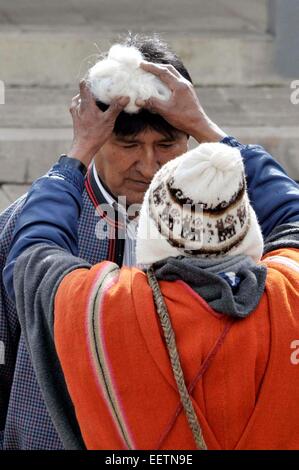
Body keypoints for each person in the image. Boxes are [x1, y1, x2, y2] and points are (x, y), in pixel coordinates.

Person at [0, 33, 298, 449]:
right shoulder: (17, 224)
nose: (148, 164)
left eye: (166, 144)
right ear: (98, 137)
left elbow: (35, 264)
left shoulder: (232, 223)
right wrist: (207, 127)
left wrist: (75, 154)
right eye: (128, 144)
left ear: (187, 140)